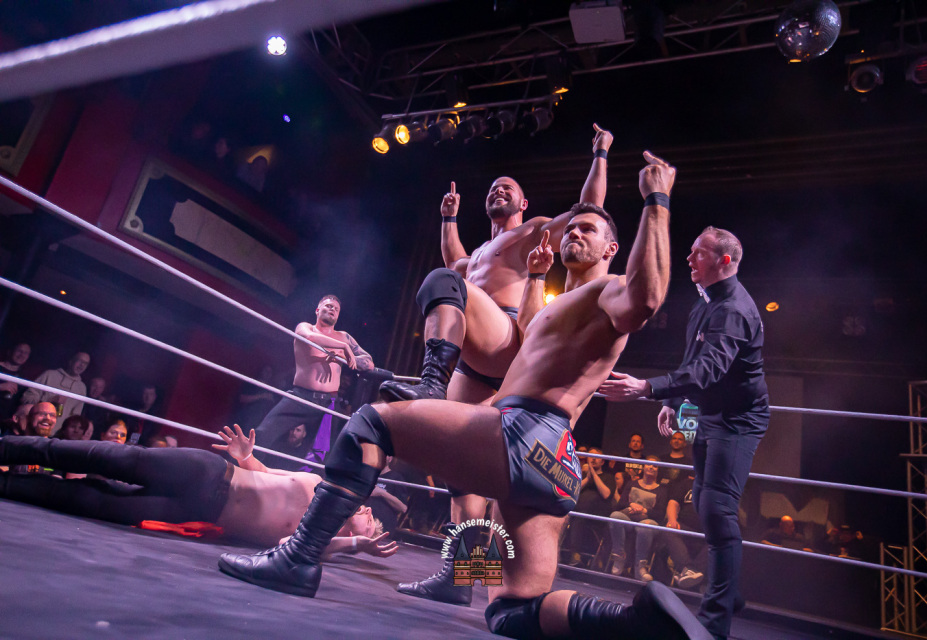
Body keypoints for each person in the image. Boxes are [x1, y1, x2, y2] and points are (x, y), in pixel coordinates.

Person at [219, 153, 711, 639]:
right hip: (554, 463)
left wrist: (655, 199)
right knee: (512, 610)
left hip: (523, 430)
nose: (575, 234)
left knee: (372, 422)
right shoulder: (561, 302)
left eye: (588, 230)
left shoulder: (609, 291)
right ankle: (635, 621)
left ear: (611, 249)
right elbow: (530, 340)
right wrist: (536, 277)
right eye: (573, 229)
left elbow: (646, 298)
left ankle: (298, 558)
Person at [384, 124, 614, 606]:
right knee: (461, 469)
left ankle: (430, 382)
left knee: (446, 284)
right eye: (493, 187)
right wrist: (449, 218)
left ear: (525, 204)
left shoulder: (532, 232)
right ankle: (462, 575)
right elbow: (457, 261)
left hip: (508, 336)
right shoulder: (479, 255)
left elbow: (588, 209)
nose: (498, 190)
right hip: (474, 354)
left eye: (508, 188)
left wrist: (600, 155)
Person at [597, 225, 769, 640]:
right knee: (707, 504)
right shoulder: (704, 302)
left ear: (724, 261)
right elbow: (693, 360)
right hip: (710, 414)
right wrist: (673, 402)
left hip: (738, 420)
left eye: (699, 253)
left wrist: (647, 388)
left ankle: (716, 621)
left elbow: (709, 369)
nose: (689, 258)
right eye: (690, 251)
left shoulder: (733, 310)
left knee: (717, 509)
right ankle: (730, 592)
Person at [0, 427, 397, 556]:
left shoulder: (317, 543)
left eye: (370, 525)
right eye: (369, 515)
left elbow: (286, 545)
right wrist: (246, 456)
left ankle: (7, 484)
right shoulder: (319, 485)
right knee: (108, 457)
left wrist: (355, 546)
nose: (367, 517)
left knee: (99, 502)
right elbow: (268, 473)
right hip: (209, 473)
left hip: (199, 509)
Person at [253, 295, 373, 466]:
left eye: (336, 309)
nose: (332, 309)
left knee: (327, 455)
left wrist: (343, 356)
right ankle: (244, 472)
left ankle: (315, 482)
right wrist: (342, 347)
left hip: (329, 402)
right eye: (328, 306)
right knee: (263, 433)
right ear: (317, 310)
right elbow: (308, 337)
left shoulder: (344, 336)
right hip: (301, 396)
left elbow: (369, 362)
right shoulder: (305, 327)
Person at [607, 456, 670, 580]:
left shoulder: (662, 490)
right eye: (648, 464)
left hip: (648, 522)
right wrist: (631, 504)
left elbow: (660, 514)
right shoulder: (632, 484)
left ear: (658, 470)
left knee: (644, 527)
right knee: (615, 516)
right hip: (629, 519)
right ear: (643, 466)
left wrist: (644, 510)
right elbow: (620, 505)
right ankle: (619, 556)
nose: (651, 467)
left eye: (655, 466)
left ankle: (640, 566)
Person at [22, 351, 91, 434]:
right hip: (36, 430)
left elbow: (75, 417)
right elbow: (26, 398)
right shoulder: (49, 375)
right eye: (79, 361)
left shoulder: (82, 388)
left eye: (85, 363)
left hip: (58, 436)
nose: (82, 365)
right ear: (71, 361)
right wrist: (49, 401)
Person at [566, 447, 613, 567]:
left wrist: (593, 473)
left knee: (579, 515)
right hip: (577, 512)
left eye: (597, 457)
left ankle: (575, 554)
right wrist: (587, 478)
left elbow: (606, 494)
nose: (593, 459)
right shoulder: (581, 476)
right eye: (591, 457)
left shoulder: (608, 477)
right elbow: (572, 491)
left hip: (596, 516)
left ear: (602, 462)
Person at [0, 342, 31, 419]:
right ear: (10, 351)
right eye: (19, 351)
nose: (22, 355)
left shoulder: (24, 378)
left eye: (26, 353)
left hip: (6, 420)